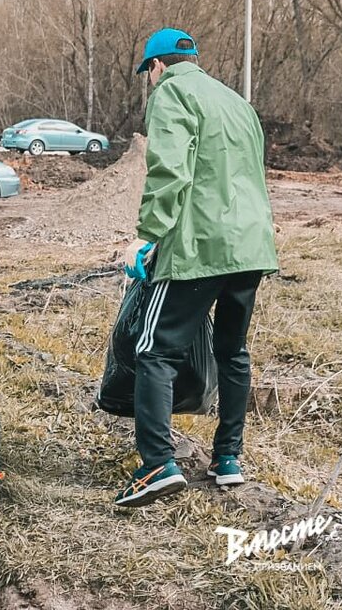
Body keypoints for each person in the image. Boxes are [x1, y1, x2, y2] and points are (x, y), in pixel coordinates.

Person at [114, 28, 278, 508]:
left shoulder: (171, 94)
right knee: (232, 351)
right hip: (250, 247)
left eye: (149, 73)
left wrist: (147, 236)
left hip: (199, 248)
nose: (150, 81)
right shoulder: (236, 102)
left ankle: (156, 465)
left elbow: (170, 171)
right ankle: (228, 459)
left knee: (154, 350)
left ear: (156, 67)